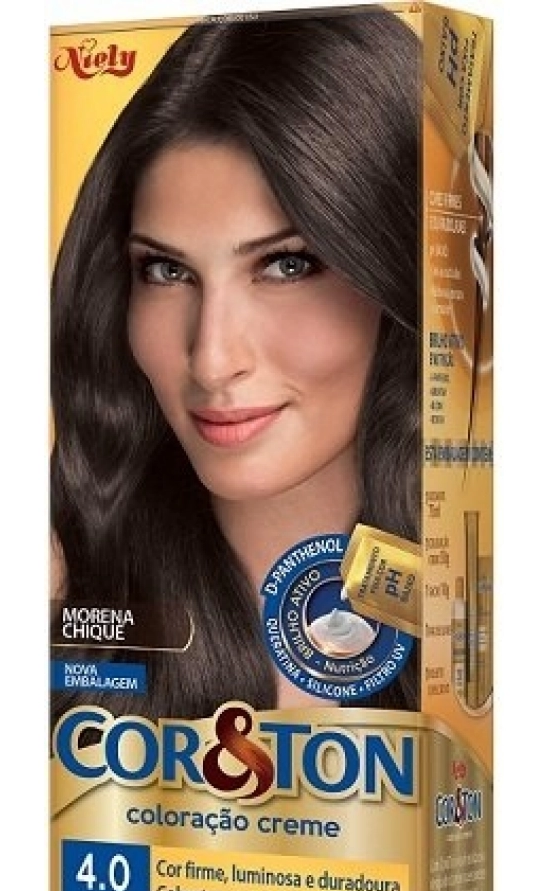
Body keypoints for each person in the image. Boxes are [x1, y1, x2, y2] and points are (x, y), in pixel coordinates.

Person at [51, 9, 420, 721]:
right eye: (166, 270)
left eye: (287, 265)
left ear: (397, 272)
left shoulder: (474, 616)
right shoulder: (65, 598)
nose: (213, 359)